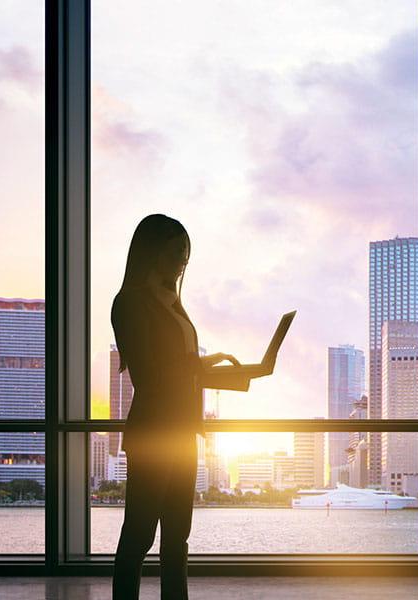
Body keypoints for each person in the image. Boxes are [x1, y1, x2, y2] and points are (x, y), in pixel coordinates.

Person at [110, 214, 263, 600]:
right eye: (177, 249)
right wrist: (207, 365)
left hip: (181, 432)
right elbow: (150, 373)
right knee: (140, 534)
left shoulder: (173, 302)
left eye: (186, 252)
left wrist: (245, 375)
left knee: (177, 536)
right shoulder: (129, 302)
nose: (183, 259)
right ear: (152, 249)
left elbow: (184, 371)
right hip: (153, 433)